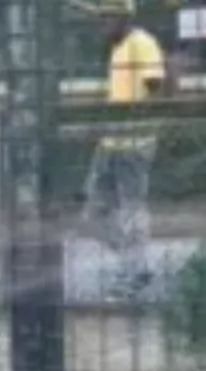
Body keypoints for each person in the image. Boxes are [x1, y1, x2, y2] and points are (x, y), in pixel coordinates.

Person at [81, 0, 170, 298]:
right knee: (94, 214)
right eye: (101, 19)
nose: (102, 25)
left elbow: (156, 88)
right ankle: (137, 264)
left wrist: (142, 126)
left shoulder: (142, 43)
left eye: (107, 19)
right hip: (110, 141)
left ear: (123, 18)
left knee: (131, 209)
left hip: (134, 142)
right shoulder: (118, 48)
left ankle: (133, 273)